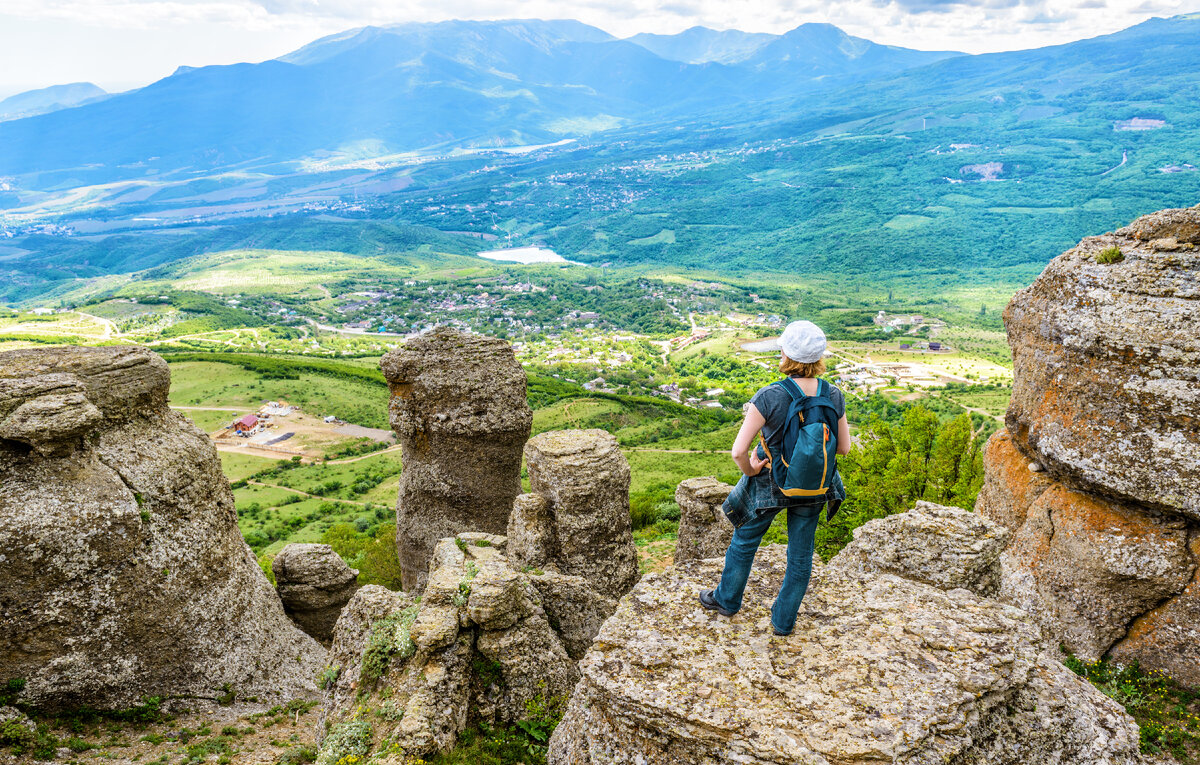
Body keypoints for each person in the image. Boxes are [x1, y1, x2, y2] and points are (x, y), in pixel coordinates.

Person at [699, 319, 850, 636]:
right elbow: (845, 448)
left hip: (771, 482)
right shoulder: (833, 395)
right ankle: (783, 621)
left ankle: (726, 600)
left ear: (786, 354)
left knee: (745, 541)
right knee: (800, 555)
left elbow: (739, 452)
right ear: (819, 357)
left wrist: (752, 469)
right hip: (815, 485)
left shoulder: (770, 395)